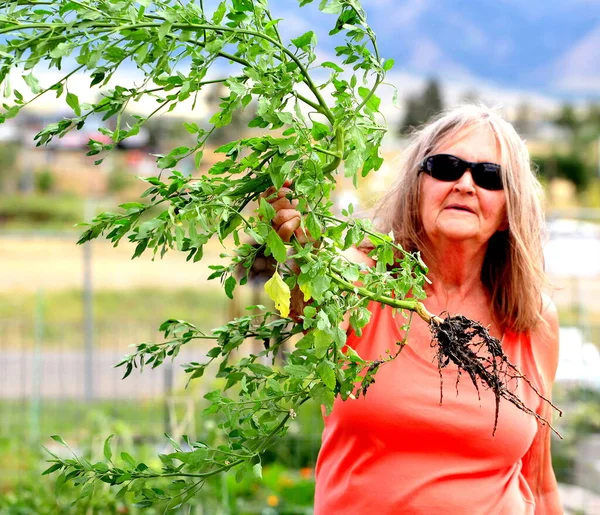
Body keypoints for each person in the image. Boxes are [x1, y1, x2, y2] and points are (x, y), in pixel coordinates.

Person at [264, 104, 562, 514]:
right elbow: (299, 308)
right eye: (445, 167)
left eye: (490, 176)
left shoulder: (532, 316)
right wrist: (299, 251)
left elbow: (539, 481)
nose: (465, 184)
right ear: (416, 187)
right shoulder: (360, 282)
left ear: (510, 212)